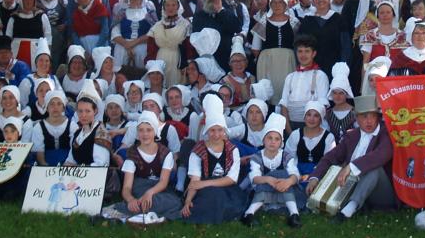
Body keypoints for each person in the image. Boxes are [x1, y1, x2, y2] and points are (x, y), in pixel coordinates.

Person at [306, 94, 395, 221]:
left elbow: (382, 154)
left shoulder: (386, 133)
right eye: (364, 116)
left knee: (374, 169)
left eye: (373, 116)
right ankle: (320, 204)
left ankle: (347, 211)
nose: (369, 121)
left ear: (378, 117)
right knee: (335, 170)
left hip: (381, 193)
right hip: (351, 188)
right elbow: (330, 157)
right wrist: (315, 177)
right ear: (356, 119)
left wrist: (351, 167)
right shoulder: (351, 136)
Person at [103, 113, 184, 221]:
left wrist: (149, 193)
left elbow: (163, 182)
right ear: (137, 133)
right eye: (141, 130)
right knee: (150, 201)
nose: (145, 134)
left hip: (158, 189)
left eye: (149, 130)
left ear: (155, 131)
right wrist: (131, 200)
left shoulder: (165, 153)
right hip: (139, 187)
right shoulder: (132, 153)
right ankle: (146, 211)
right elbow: (127, 187)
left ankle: (123, 211)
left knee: (174, 202)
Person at [182, 94, 247, 224]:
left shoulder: (232, 150)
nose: (216, 135)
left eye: (220, 130)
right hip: (205, 190)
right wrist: (188, 201)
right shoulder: (198, 151)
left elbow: (231, 179)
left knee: (220, 196)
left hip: (224, 187)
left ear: (224, 131)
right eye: (212, 130)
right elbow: (195, 181)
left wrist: (205, 183)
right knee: (211, 196)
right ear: (207, 131)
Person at [242, 113, 305, 228]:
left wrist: (288, 182)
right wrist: (268, 179)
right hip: (264, 189)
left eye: (277, 139)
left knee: (284, 176)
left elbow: (295, 173)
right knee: (269, 179)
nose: (272, 142)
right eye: (269, 138)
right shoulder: (257, 157)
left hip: (284, 189)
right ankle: (249, 214)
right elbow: (254, 177)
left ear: (281, 142)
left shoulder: (286, 156)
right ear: (264, 140)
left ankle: (294, 214)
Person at [252, 0, 298, 104]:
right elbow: (255, 48)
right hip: (268, 62)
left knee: (286, 90)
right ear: (270, 4)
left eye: (281, 2)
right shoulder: (263, 21)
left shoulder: (294, 22)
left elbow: (299, 44)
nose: (277, 5)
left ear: (286, 4)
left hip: (288, 61)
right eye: (274, 2)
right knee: (269, 92)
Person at [279, 36, 330, 129]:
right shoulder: (290, 77)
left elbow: (322, 107)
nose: (303, 55)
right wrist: (290, 132)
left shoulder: (320, 76)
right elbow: (284, 107)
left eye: (307, 51)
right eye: (300, 51)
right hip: (290, 125)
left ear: (314, 53)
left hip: (312, 127)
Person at [146, 0, 190, 88]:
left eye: (173, 5)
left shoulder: (185, 25)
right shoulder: (157, 25)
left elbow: (188, 46)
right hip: (161, 58)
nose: (170, 8)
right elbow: (151, 47)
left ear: (178, 6)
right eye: (168, 5)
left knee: (175, 85)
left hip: (177, 59)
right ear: (164, 7)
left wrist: (186, 64)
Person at [286, 101, 335, 178]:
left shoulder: (328, 137)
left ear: (321, 119)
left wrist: (314, 176)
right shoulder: (295, 135)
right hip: (296, 175)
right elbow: (289, 159)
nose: (311, 119)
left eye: (316, 116)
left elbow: (328, 161)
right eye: (309, 115)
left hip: (319, 175)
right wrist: (296, 175)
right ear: (304, 117)